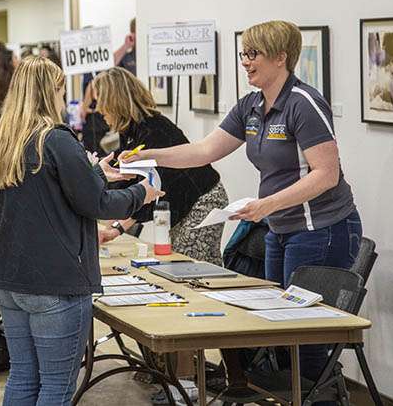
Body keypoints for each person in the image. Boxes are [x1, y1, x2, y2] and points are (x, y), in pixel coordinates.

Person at [124, 20, 360, 405]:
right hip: (279, 226)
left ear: (281, 57)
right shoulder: (251, 105)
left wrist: (266, 204)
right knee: (275, 329)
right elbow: (204, 151)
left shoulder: (303, 103)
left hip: (322, 229)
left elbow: (326, 175)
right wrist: (149, 154)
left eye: (254, 55)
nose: (246, 63)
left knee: (306, 337)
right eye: (243, 54)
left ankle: (323, 398)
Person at [0, 56, 164, 406]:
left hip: (7, 278)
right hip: (54, 283)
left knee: (23, 377)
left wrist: (95, 172)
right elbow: (96, 204)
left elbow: (44, 193)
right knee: (56, 386)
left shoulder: (2, 140)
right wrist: (142, 193)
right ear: (51, 92)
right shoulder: (56, 139)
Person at [93, 67, 228, 264]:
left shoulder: (153, 129)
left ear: (114, 101)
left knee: (192, 266)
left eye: (100, 102)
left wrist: (116, 227)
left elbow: (148, 191)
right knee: (184, 263)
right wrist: (116, 229)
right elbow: (137, 191)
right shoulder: (130, 130)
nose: (98, 110)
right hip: (181, 203)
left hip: (202, 200)